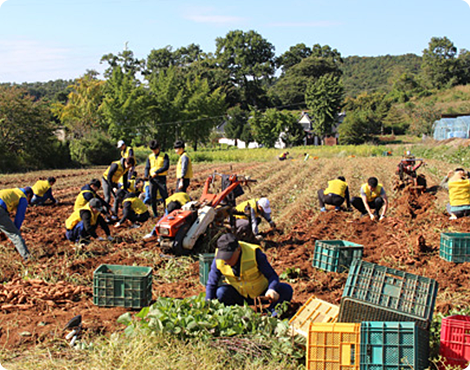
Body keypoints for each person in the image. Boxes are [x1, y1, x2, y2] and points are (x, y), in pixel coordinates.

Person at [205, 233, 293, 317]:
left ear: (238, 250)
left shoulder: (254, 253)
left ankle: (270, 314)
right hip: (240, 295)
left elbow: (272, 276)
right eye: (224, 257)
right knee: (221, 292)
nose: (226, 261)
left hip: (261, 294)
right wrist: (208, 305)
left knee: (286, 290)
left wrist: (271, 289)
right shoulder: (218, 259)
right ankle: (234, 314)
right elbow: (211, 283)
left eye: (229, 257)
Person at [0, 187, 33, 260]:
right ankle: (27, 258)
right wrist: (15, 229)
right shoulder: (23, 197)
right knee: (15, 234)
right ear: (28, 195)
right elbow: (19, 217)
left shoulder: (14, 191)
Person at [144, 140, 169, 217]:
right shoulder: (150, 157)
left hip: (161, 178)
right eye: (152, 150)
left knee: (164, 195)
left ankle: (167, 212)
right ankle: (155, 214)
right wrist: (146, 175)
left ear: (159, 148)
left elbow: (166, 166)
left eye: (155, 149)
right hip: (152, 179)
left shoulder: (164, 155)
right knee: (152, 197)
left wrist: (157, 172)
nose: (154, 151)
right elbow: (147, 167)